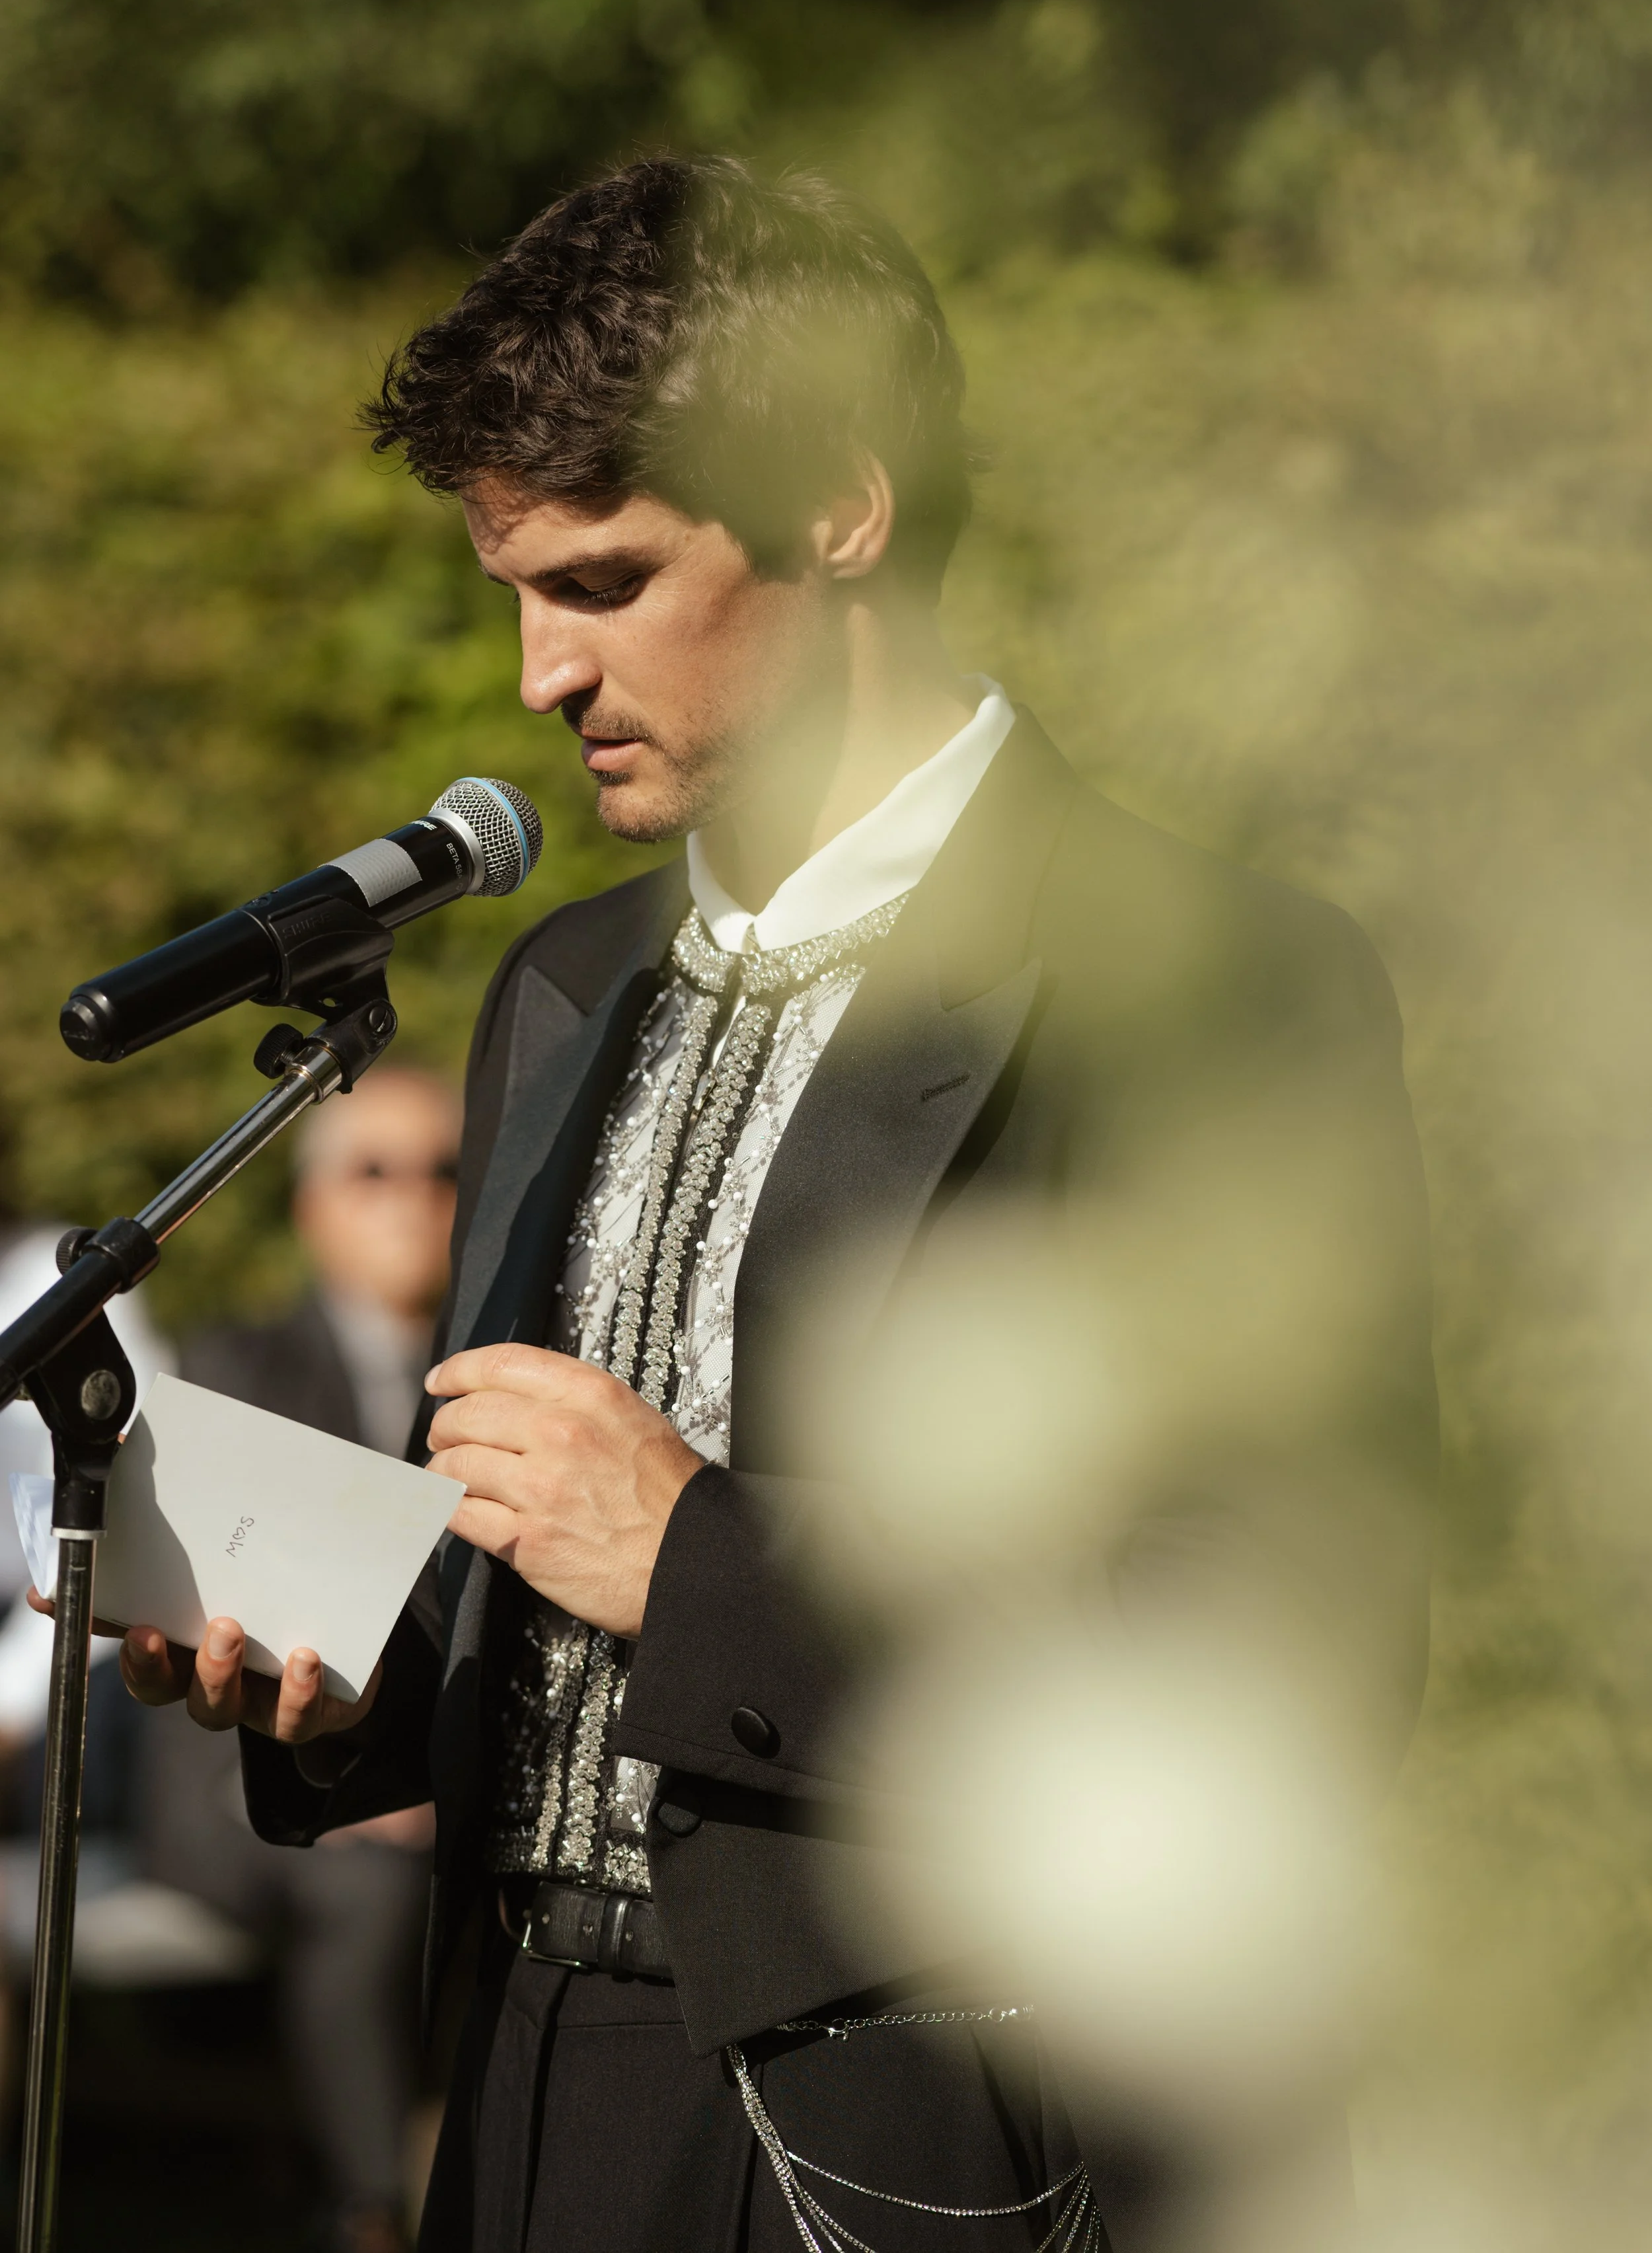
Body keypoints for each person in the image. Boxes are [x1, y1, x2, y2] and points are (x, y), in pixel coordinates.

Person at [106, 158, 1437, 2251]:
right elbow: (538, 1622)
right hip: (532, 2094)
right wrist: (343, 1677)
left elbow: (1292, 1652)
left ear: (842, 505)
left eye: (606, 580)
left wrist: (700, 1556)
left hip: (951, 2134)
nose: (540, 675)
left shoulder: (1213, 978)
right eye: (514, 593)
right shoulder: (562, 977)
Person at [141, 1067, 461, 2253]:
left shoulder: (510, 1374)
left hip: (446, 1791)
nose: (415, 1198)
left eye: (447, 1171)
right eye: (375, 1169)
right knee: (365, 1883)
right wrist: (366, 1778)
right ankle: (370, 2213)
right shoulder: (234, 1363)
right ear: (312, 1205)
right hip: (243, 1783)